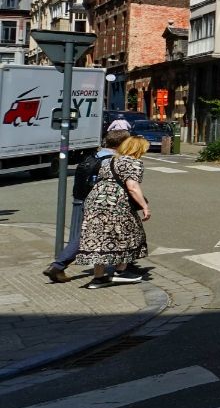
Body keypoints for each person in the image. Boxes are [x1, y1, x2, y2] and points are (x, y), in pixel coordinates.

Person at [43, 121, 129, 283]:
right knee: (87, 237)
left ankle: (60, 266)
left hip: (80, 198)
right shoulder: (111, 161)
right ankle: (59, 266)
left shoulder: (94, 155)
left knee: (87, 235)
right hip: (98, 204)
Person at [78, 133, 152, 288]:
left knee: (99, 238)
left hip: (95, 200)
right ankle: (121, 271)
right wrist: (144, 206)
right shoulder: (134, 162)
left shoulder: (110, 160)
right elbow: (132, 187)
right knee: (130, 233)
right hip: (116, 204)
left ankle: (98, 278)